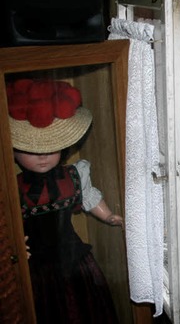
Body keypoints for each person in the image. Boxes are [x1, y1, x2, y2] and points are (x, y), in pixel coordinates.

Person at [8, 79, 122, 323]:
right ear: (13, 150)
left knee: (88, 310)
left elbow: (90, 198)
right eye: (30, 149)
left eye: (51, 147)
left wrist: (110, 216)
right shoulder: (13, 187)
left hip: (75, 261)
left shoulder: (74, 174)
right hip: (36, 270)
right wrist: (13, 245)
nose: (42, 156)